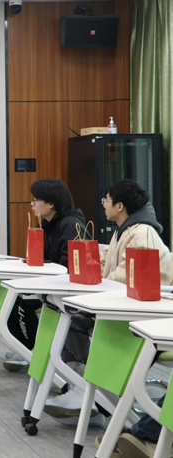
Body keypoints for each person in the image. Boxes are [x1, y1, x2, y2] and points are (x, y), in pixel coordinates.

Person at [95, 179, 173, 457]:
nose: (103, 205)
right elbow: (111, 268)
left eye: (106, 200)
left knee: (80, 324)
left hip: (147, 317)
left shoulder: (142, 233)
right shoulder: (123, 230)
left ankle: (144, 434)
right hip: (136, 312)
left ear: (120, 205)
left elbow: (130, 276)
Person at [6, 179, 88, 372]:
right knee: (10, 298)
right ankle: (28, 348)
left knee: (21, 303)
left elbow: (68, 266)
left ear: (51, 204)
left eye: (35, 199)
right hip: (51, 285)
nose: (32, 204)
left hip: (67, 290)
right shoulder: (46, 225)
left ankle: (33, 350)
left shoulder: (71, 226)